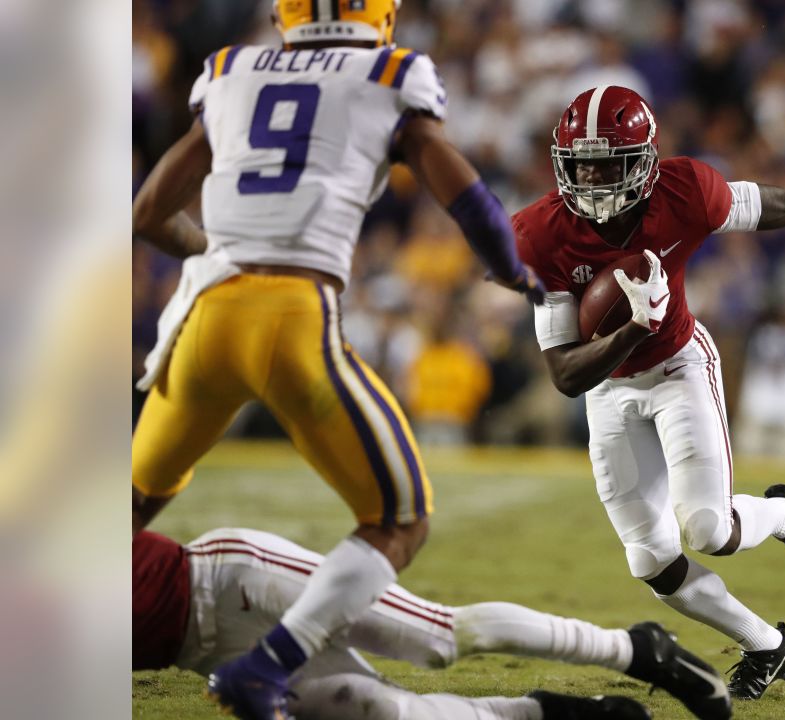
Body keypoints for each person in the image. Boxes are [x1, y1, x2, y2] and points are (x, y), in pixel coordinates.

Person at [130, 2, 546, 717]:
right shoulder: (391, 71)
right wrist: (513, 271)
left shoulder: (232, 68)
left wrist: (219, 253)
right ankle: (268, 665)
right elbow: (463, 191)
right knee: (400, 519)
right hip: (293, 319)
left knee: (128, 509)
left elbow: (146, 215)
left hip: (203, 323)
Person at [514, 85, 785, 700]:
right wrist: (629, 330)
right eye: (581, 163)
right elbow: (567, 376)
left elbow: (784, 206)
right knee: (650, 560)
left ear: (644, 162)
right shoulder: (541, 234)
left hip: (678, 367)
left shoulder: (687, 192)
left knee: (710, 530)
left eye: (608, 163)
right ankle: (767, 645)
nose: (592, 178)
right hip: (608, 389)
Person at [133, 527, 734, 720]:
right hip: (206, 652)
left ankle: (632, 649)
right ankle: (549, 713)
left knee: (437, 638)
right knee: (384, 711)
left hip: (231, 580)